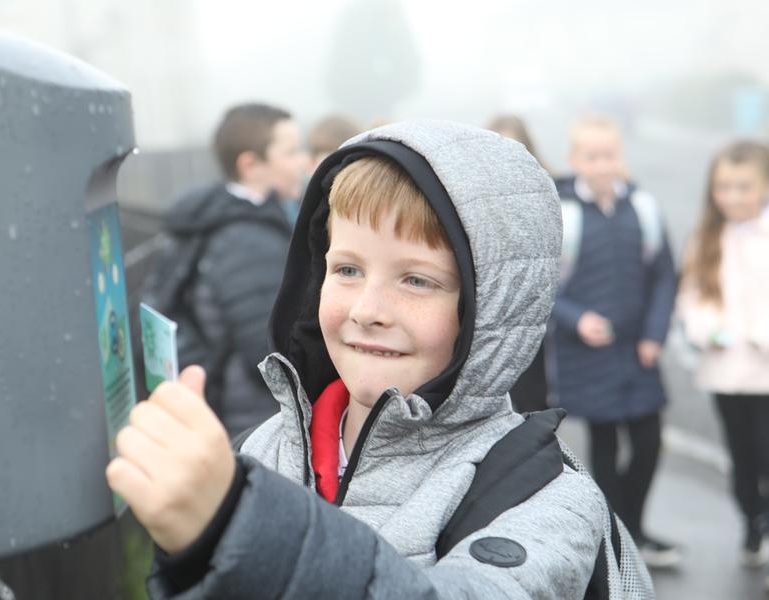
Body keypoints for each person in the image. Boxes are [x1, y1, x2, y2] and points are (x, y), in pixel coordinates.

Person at [108, 120, 653, 598]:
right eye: (346, 270)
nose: (368, 310)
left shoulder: (546, 499)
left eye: (417, 279)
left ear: (490, 312)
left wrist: (235, 527)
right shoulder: (259, 450)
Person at [549, 115, 679, 568]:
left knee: (649, 443)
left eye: (609, 154)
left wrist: (654, 334)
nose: (602, 164)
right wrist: (577, 318)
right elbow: (546, 287)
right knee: (604, 447)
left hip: (638, 352)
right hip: (588, 354)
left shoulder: (642, 208)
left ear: (620, 156)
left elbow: (664, 275)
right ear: (574, 159)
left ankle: (632, 529)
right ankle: (617, 538)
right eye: (591, 155)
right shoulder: (563, 212)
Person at [140, 102, 307, 437]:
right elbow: (269, 355)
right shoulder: (248, 243)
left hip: (224, 410)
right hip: (252, 423)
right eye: (290, 152)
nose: (302, 162)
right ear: (250, 164)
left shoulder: (218, 217)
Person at [676, 141, 769, 570]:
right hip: (725, 369)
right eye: (723, 187)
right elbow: (693, 297)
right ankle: (753, 523)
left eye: (743, 186)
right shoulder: (707, 238)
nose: (732, 196)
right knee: (742, 457)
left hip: (765, 368)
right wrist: (707, 330)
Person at [487, 114, 550, 413]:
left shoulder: (548, 195)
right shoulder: (477, 202)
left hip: (539, 322)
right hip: (495, 324)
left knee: (535, 403)